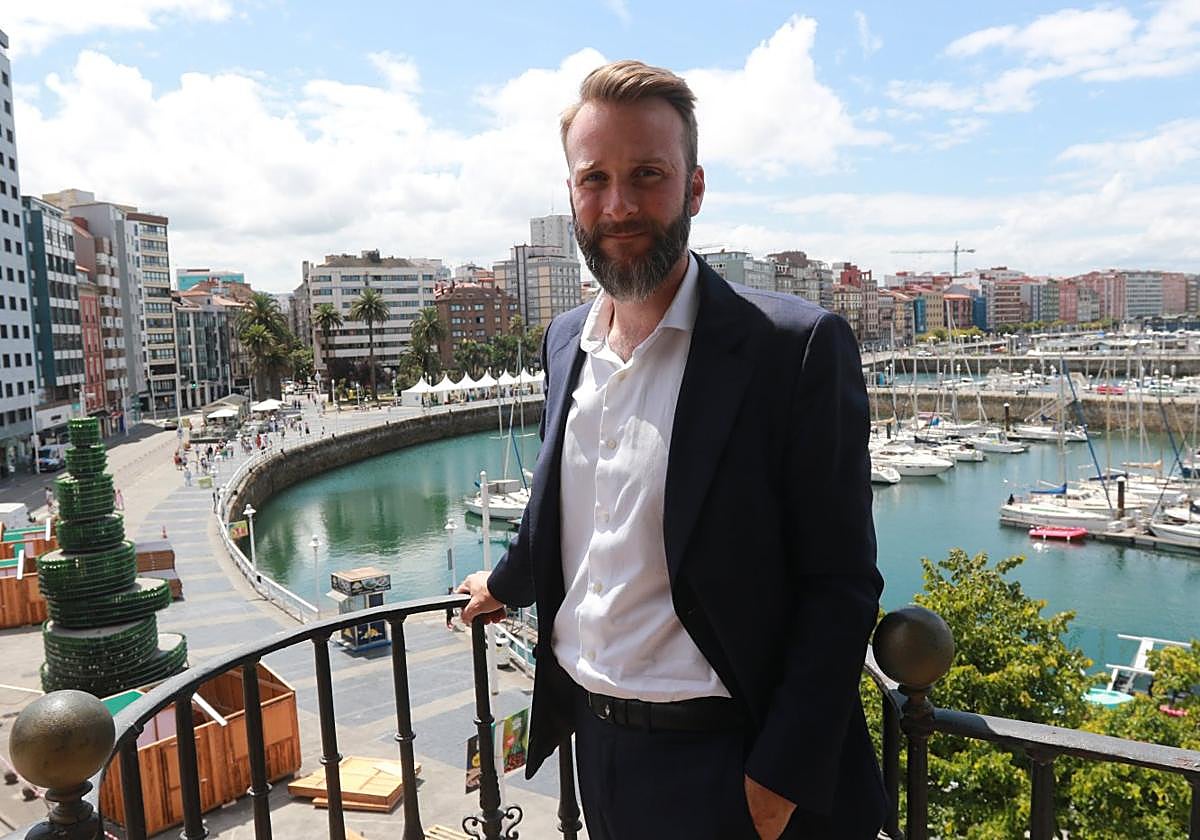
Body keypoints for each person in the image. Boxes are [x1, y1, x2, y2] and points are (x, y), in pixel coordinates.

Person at [459, 60, 884, 840]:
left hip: (732, 765)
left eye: (647, 174)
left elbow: (843, 582)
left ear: (694, 187)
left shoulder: (791, 348)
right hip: (599, 749)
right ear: (571, 198)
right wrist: (502, 580)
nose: (618, 206)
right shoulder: (565, 343)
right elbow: (567, 509)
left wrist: (774, 783)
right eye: (595, 179)